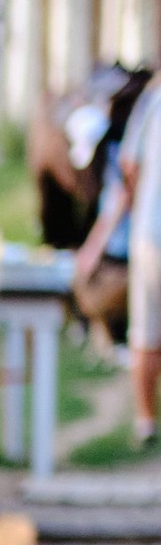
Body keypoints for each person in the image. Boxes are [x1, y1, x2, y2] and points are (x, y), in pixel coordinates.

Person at [71, 65, 161, 450]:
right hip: (149, 233)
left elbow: (130, 166)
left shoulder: (154, 101)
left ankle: (145, 422)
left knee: (145, 334)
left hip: (150, 234)